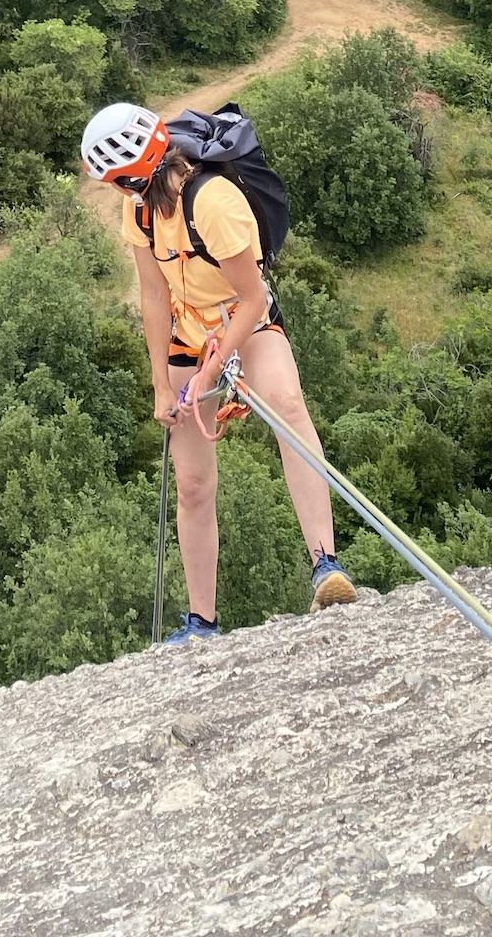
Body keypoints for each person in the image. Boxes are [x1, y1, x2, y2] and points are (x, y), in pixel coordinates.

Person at [82, 100, 357, 647]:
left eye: (113, 180)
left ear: (129, 175)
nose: (115, 191)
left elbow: (254, 299)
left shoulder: (215, 202)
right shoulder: (140, 211)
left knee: (287, 406)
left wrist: (206, 375)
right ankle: (201, 622)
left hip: (243, 322)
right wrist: (162, 384)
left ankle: (326, 566)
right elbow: (154, 294)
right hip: (187, 335)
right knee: (192, 482)